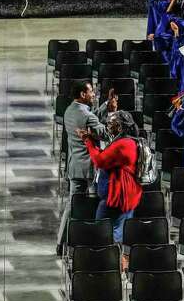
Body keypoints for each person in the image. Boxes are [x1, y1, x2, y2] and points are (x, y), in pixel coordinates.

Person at [78, 110, 142, 269]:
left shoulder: (122, 144)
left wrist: (88, 141)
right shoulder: (127, 141)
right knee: (118, 230)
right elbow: (107, 156)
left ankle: (108, 264)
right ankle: (118, 264)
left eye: (110, 123)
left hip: (119, 195)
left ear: (119, 127)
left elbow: (99, 160)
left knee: (101, 229)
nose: (107, 126)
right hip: (127, 194)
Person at [57, 80, 109, 253]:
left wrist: (105, 106)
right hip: (90, 170)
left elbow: (90, 117)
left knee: (72, 205)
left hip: (74, 167)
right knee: (95, 206)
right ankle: (92, 243)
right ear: (82, 94)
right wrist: (112, 114)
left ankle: (60, 242)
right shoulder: (88, 116)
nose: (93, 94)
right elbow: (105, 132)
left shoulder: (69, 111)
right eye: (91, 92)